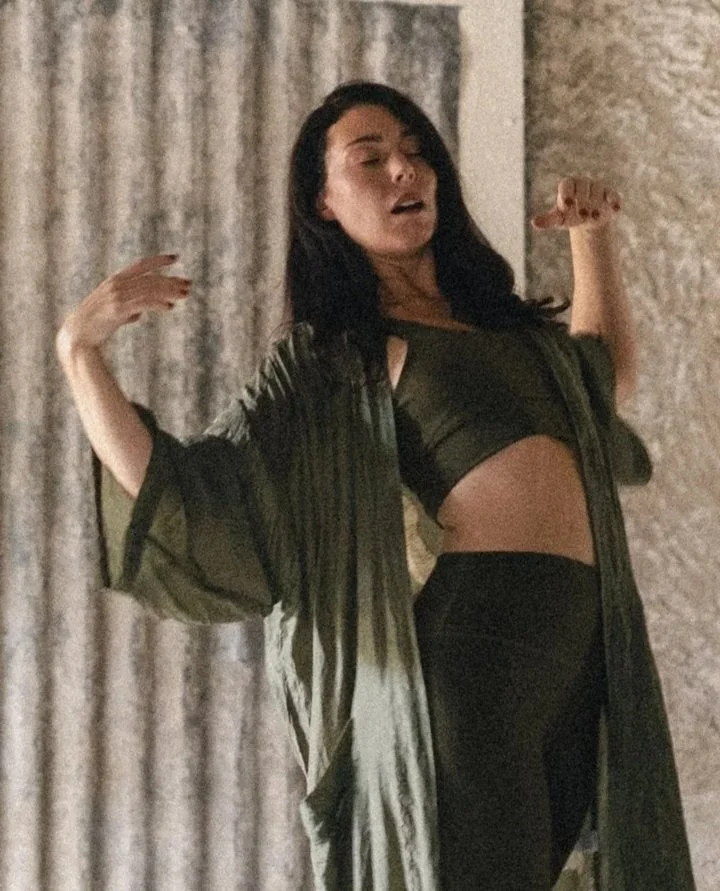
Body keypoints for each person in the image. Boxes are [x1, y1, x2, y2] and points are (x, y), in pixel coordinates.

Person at [57, 82, 695, 890]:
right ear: (323, 203)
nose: (404, 168)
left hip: (579, 662)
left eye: (415, 151)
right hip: (472, 660)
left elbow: (600, 383)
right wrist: (79, 353)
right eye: (371, 158)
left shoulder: (510, 330)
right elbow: (196, 496)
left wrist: (592, 239)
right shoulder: (338, 358)